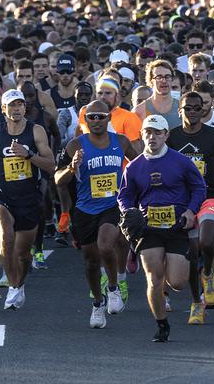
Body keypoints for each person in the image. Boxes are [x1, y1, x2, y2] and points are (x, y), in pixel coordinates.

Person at [118, 114, 205, 342]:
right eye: (148, 132)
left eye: (157, 132)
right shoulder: (134, 167)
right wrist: (129, 211)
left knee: (177, 283)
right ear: (142, 135)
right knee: (153, 279)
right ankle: (161, 324)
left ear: (166, 135)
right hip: (149, 228)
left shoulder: (181, 161)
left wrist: (191, 210)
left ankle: (174, 266)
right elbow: (124, 195)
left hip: (177, 226)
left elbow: (199, 188)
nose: (152, 137)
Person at [57, 99, 137, 328]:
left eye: (100, 116)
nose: (96, 121)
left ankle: (113, 288)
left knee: (106, 245)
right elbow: (58, 180)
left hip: (112, 205)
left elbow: (138, 163)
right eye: (91, 117)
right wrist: (72, 167)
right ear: (84, 120)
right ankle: (97, 302)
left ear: (109, 118)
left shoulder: (120, 142)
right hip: (84, 208)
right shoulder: (74, 146)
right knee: (91, 262)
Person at [166, 91, 214, 323]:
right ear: (180, 111)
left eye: (198, 108)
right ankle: (197, 303)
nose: (194, 112)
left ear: (204, 111)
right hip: (182, 202)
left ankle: (208, 273)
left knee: (206, 242)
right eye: (188, 108)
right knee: (191, 251)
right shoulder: (172, 137)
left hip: (210, 197)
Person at [0, 89, 55, 310]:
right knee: (5, 237)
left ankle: (19, 283)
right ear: (3, 109)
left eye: (19, 105)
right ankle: (13, 286)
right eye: (11, 106)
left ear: (25, 107)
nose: (16, 109)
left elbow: (51, 165)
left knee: (23, 254)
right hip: (2, 196)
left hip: (28, 198)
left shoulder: (36, 131)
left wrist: (29, 155)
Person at [133, 60, 181, 129]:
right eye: (159, 77)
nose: (164, 81)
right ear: (151, 81)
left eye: (167, 76)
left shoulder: (183, 108)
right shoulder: (139, 111)